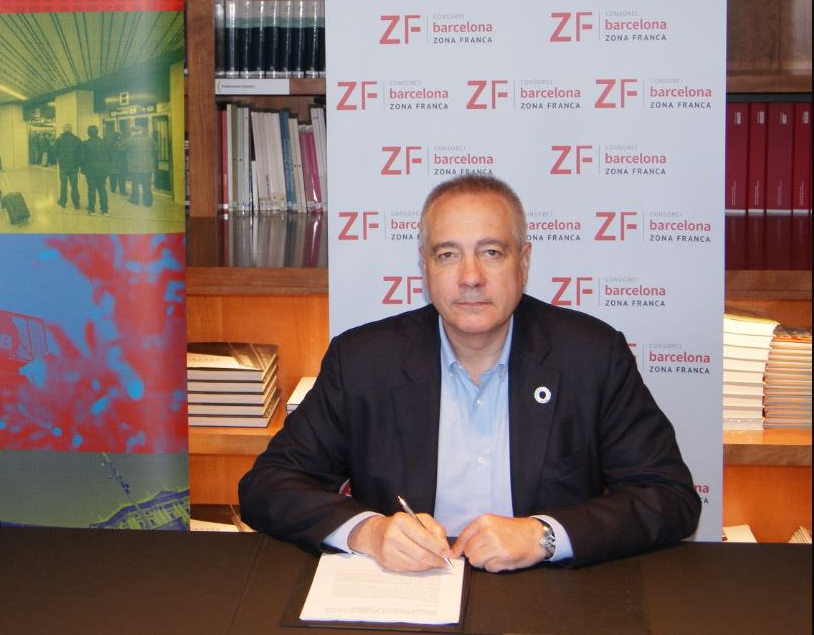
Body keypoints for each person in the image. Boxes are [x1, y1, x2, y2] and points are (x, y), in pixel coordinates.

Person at [239, 174, 700, 572]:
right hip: (406, 592)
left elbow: (669, 496)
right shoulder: (363, 361)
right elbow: (268, 485)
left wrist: (546, 536)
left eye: (492, 252)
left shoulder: (591, 356)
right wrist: (369, 532)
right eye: (447, 255)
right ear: (424, 266)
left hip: (551, 591)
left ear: (524, 261)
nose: (471, 276)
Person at [79, 125, 111, 216]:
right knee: (102, 189)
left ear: (88, 133)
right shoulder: (104, 143)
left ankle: (92, 209)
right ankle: (105, 210)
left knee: (91, 189)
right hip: (103, 170)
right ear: (97, 132)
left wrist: (82, 167)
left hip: (90, 170)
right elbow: (110, 156)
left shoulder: (85, 144)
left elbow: (82, 158)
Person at [125, 125, 155, 207]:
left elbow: (121, 149)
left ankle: (135, 200)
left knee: (135, 184)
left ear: (134, 132)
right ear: (141, 131)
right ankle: (148, 202)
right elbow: (156, 150)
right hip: (147, 167)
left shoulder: (129, 140)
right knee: (147, 184)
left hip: (134, 167)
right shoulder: (149, 139)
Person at [54, 123, 82, 211]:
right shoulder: (77, 139)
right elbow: (80, 153)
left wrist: (60, 159)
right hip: (74, 167)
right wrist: (78, 163)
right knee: (74, 185)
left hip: (63, 166)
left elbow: (55, 151)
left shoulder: (59, 139)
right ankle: (76, 204)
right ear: (71, 130)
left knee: (63, 185)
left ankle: (63, 202)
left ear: (63, 129)